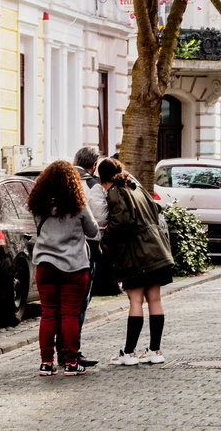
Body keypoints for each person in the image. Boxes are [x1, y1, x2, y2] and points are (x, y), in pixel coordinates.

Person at [26, 161, 100, 377]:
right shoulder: (77, 204)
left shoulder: (38, 203)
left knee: (48, 314)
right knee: (69, 315)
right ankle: (70, 363)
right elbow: (93, 230)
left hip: (45, 265)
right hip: (74, 267)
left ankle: (46, 363)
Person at [99, 159, 174, 365]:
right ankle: (155, 351)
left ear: (101, 178)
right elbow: (155, 211)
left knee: (135, 300)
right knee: (155, 300)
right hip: (156, 249)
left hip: (136, 254)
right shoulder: (136, 187)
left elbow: (122, 221)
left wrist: (106, 240)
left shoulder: (116, 191)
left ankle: (129, 352)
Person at [68, 147, 107, 368]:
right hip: (85, 249)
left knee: (56, 309)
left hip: (53, 250)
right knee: (79, 304)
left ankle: (54, 355)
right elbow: (98, 220)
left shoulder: (56, 182)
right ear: (94, 166)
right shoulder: (93, 185)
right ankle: (73, 351)